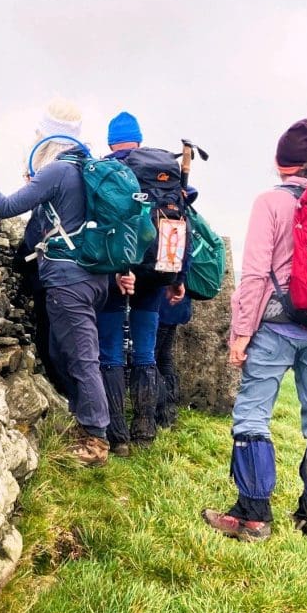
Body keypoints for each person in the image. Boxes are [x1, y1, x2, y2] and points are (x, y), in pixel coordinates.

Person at [0, 99, 132, 467]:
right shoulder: (86, 167)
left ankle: (96, 440)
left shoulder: (57, 171)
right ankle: (84, 423)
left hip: (68, 279)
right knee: (62, 351)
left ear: (44, 135)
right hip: (95, 277)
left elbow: (4, 207)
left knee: (81, 358)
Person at [202, 119, 307, 545]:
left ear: (281, 164)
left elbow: (256, 275)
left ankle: (253, 515)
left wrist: (241, 334)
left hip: (278, 326)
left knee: (252, 414)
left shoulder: (271, 202)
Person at [96, 112, 186, 456]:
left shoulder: (106, 171)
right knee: (146, 353)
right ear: (139, 138)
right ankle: (145, 430)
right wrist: (176, 278)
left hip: (115, 274)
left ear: (110, 141)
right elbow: (181, 224)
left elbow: (103, 226)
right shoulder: (164, 174)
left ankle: (118, 436)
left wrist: (119, 267)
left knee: (111, 353)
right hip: (155, 275)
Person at [154, 185, 198, 428]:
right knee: (164, 357)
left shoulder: (169, 219)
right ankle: (169, 411)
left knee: (152, 356)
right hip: (178, 301)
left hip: (164, 298)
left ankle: (162, 413)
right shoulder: (187, 217)